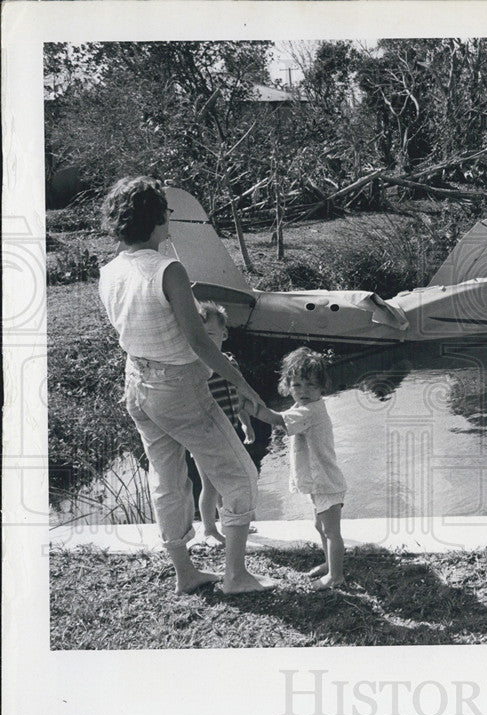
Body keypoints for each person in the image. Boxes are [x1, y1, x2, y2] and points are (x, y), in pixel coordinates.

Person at [98, 175, 281, 594]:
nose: (168, 221)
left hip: (137, 384)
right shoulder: (168, 270)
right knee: (240, 476)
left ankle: (186, 574)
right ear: (156, 219)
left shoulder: (108, 272)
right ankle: (236, 577)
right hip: (177, 386)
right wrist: (249, 391)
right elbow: (200, 343)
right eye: (166, 213)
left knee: (167, 481)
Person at [277, 347, 347, 590]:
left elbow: (277, 420)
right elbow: (283, 416)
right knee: (320, 527)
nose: (303, 391)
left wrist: (253, 408)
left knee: (331, 532)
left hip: (327, 482)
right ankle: (329, 564)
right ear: (288, 386)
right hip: (319, 482)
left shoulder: (311, 411)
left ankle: (336, 576)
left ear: (321, 387)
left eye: (310, 385)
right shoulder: (302, 408)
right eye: (297, 385)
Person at [194, 300, 259, 546]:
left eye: (211, 334)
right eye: (201, 335)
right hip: (204, 434)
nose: (206, 341)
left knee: (230, 481)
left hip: (229, 431)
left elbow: (237, 399)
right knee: (209, 484)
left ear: (224, 333)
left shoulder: (228, 363)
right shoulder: (196, 366)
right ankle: (209, 529)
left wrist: (246, 423)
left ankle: (231, 522)